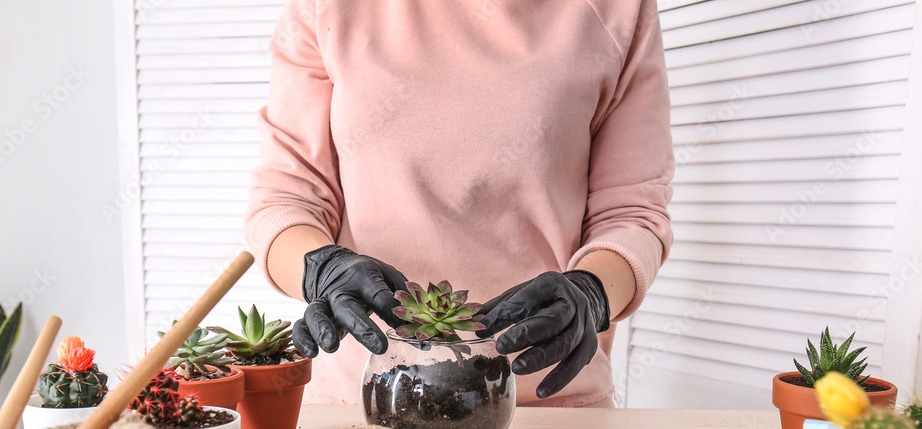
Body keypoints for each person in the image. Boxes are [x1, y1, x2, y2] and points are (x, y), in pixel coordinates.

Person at [245, 0, 673, 407]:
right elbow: (287, 198)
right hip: (366, 394)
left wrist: (592, 291)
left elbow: (631, 213)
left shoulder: (619, 9)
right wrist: (323, 267)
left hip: (547, 402)